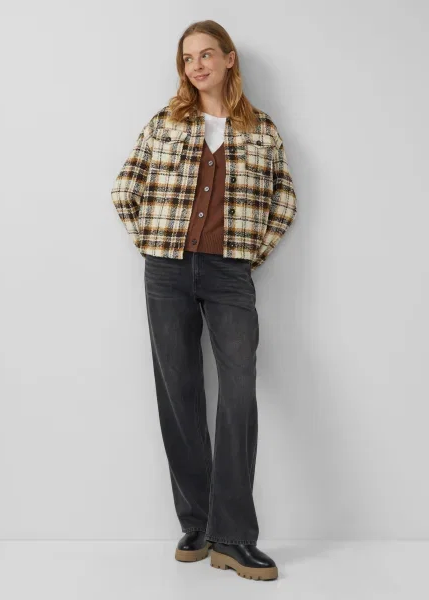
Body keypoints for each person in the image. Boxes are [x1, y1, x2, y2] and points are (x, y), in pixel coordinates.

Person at [111, 19, 297, 582]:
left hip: (228, 275)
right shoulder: (165, 123)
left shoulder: (262, 130)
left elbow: (284, 200)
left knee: (238, 393)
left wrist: (249, 254)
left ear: (229, 58)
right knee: (180, 392)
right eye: (188, 58)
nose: (197, 65)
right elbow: (124, 188)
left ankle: (234, 537)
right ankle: (197, 524)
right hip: (165, 271)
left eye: (206, 54)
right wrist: (152, 242)